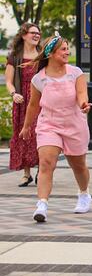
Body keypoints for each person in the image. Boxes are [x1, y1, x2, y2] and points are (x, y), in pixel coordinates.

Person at [20, 35, 92, 222]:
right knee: (46, 163)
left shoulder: (75, 73)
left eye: (68, 48)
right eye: (63, 49)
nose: (67, 52)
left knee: (78, 165)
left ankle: (84, 194)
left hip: (74, 124)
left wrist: (84, 104)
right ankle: (42, 205)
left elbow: (81, 93)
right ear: (50, 54)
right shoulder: (39, 79)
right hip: (49, 125)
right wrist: (26, 126)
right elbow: (33, 105)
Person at [5, 23, 42, 187]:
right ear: (24, 35)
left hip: (40, 101)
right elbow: (8, 81)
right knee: (24, 136)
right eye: (33, 32)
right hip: (22, 102)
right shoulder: (14, 57)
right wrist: (14, 94)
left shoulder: (43, 55)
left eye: (38, 33)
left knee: (40, 134)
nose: (36, 35)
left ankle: (42, 171)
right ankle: (27, 174)